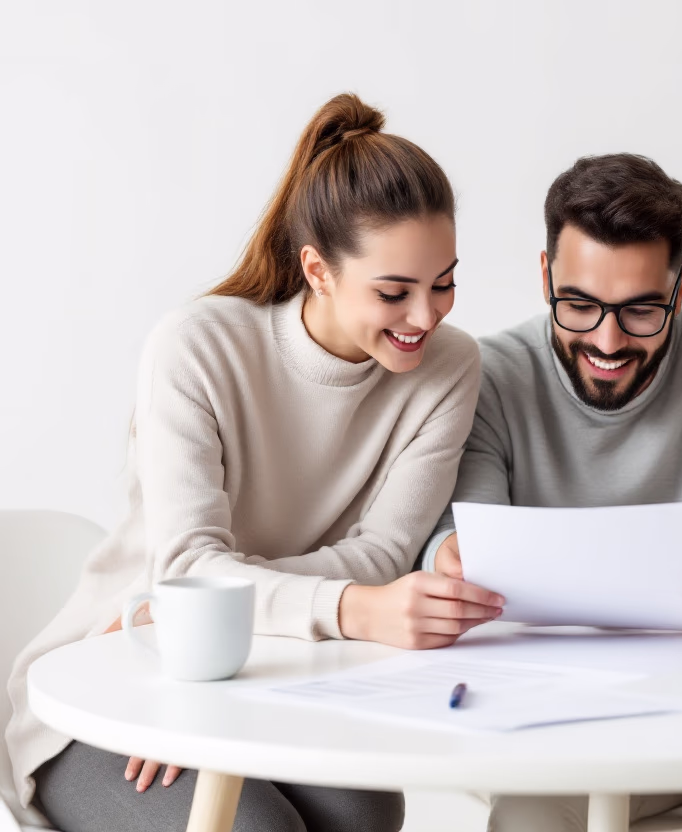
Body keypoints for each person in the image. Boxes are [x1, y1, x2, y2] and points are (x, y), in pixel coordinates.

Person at [4, 93, 504, 832]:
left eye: (444, 283)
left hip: (272, 674)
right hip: (124, 667)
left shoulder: (450, 367)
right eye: (394, 292)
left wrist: (212, 608)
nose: (426, 317)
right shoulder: (198, 346)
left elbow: (386, 553)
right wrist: (346, 608)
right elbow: (186, 572)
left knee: (365, 812)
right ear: (319, 270)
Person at [419, 153, 682, 832]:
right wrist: (449, 558)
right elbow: (464, 542)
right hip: (549, 724)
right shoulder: (494, 378)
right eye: (579, 305)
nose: (607, 339)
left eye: (640, 311)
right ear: (545, 277)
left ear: (679, 288)